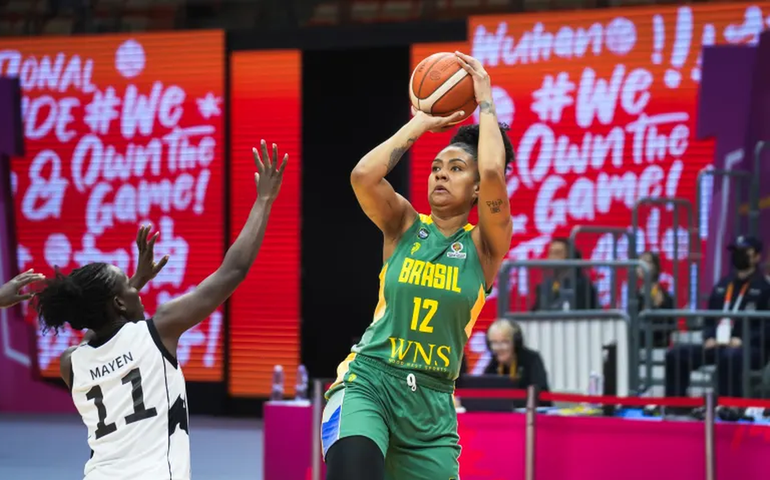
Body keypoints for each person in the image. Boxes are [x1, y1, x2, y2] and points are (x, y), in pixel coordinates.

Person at [34, 140, 287, 480]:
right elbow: (233, 272)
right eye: (127, 281)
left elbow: (99, 331)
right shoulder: (159, 331)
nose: (135, 285)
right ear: (119, 303)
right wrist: (264, 200)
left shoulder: (70, 364)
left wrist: (132, 283)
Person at [321, 52, 514, 480]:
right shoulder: (403, 224)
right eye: (435, 168)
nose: (440, 175)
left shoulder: (485, 247)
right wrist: (423, 121)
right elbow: (363, 176)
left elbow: (494, 172)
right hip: (369, 383)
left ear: (477, 187)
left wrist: (485, 102)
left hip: (431, 411)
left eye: (456, 168)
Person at [665, 235, 770, 398]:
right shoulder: (723, 285)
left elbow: (766, 327)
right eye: (736, 251)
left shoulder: (764, 288)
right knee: (676, 355)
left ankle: (729, 409)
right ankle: (676, 406)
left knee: (730, 357)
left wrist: (743, 341)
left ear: (756, 256)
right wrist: (709, 337)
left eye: (744, 251)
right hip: (718, 344)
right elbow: (709, 319)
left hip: (750, 348)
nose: (738, 254)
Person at [532, 238, 598, 311]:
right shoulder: (547, 284)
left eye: (557, 253)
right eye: (550, 253)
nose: (551, 258)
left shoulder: (582, 285)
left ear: (569, 256)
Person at [636, 251, 675, 347]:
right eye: (639, 262)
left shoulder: (659, 293)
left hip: (655, 344)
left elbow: (665, 325)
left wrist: (657, 306)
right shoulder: (637, 293)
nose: (642, 266)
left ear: (655, 267)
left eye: (647, 262)